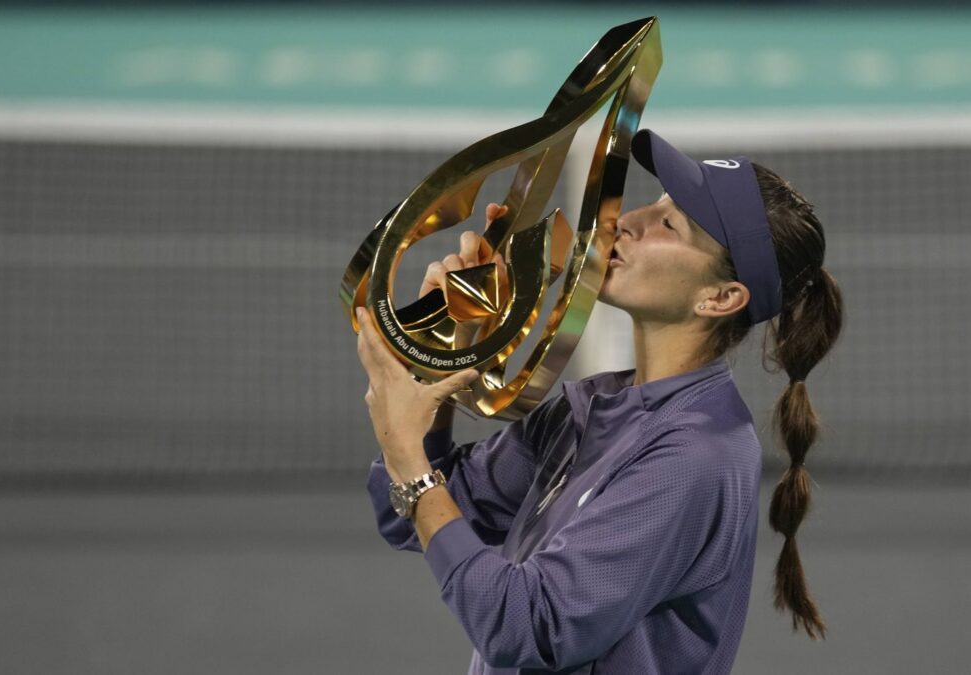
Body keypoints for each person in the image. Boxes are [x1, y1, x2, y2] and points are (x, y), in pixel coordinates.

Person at [356, 128, 844, 674]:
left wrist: (409, 459)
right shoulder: (592, 407)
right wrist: (448, 350)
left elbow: (523, 626)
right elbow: (416, 517)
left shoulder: (693, 458)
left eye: (668, 223)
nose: (626, 222)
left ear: (720, 297)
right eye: (655, 201)